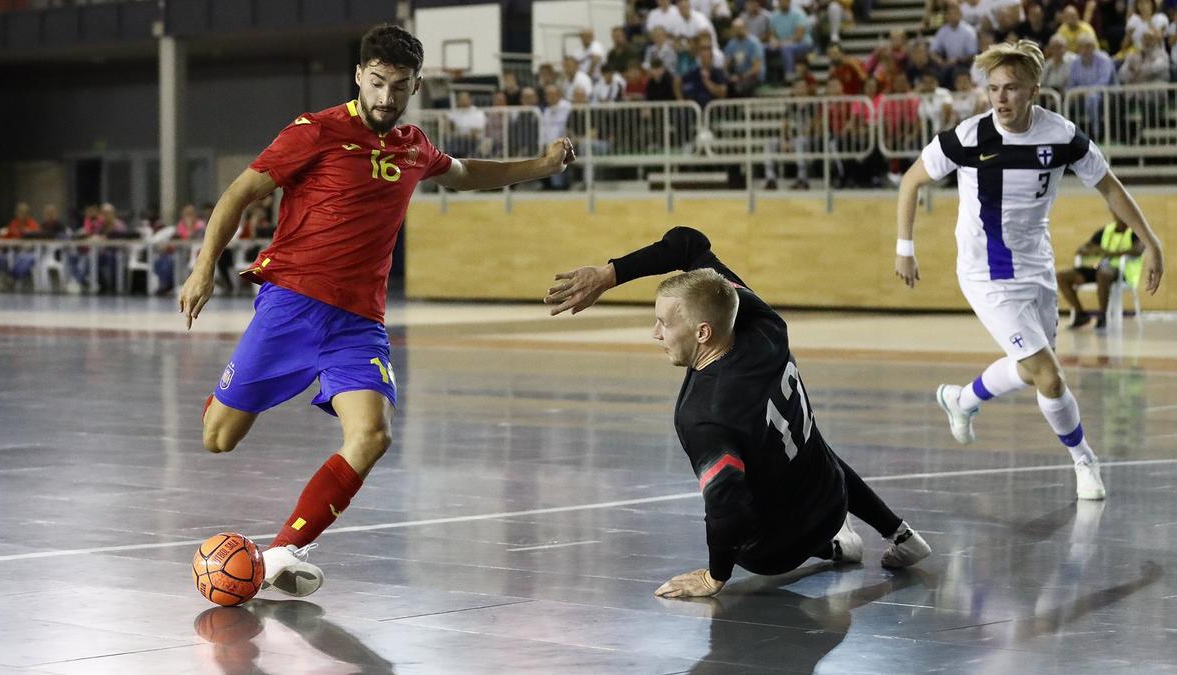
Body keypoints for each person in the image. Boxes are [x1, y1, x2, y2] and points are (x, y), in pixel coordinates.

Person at [179, 24, 575, 598]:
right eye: (378, 83)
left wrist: (539, 166)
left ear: (417, 85)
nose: (387, 97)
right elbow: (239, 193)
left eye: (400, 86)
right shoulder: (314, 132)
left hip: (359, 323)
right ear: (360, 76)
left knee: (372, 435)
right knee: (218, 439)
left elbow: (466, 175)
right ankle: (230, 390)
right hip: (291, 305)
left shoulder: (414, 145)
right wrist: (202, 267)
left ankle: (284, 551)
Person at [544, 227, 932, 598]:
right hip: (833, 496)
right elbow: (688, 245)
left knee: (746, 523)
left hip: (778, 551)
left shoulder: (703, 413)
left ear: (702, 333)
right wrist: (609, 274)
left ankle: (834, 551)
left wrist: (715, 575)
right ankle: (900, 534)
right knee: (803, 439)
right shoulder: (765, 322)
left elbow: (726, 505)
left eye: (663, 323)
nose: (655, 334)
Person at [893, 40, 1165, 501]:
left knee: (1029, 370)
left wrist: (1152, 241)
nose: (1000, 98)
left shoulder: (1061, 135)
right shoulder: (969, 136)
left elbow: (1110, 187)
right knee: (1049, 374)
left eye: (1011, 88)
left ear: (1033, 90)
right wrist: (905, 247)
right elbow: (911, 180)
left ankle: (962, 400)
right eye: (993, 88)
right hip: (986, 272)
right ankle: (1084, 461)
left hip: (1036, 267)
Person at [1056, 216, 1145, 328]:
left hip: (1123, 273)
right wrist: (1094, 251)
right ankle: (1081, 315)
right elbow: (1082, 250)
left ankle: (1103, 316)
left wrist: (1110, 253)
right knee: (1062, 276)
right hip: (1101, 268)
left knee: (1103, 273)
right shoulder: (1106, 231)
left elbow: (1138, 250)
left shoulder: (1135, 232)